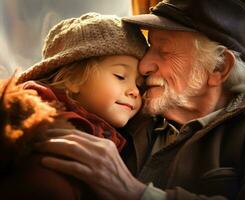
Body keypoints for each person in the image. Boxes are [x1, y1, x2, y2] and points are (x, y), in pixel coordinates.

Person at [33, 0, 245, 200]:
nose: (145, 64)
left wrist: (135, 193)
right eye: (150, 49)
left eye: (164, 51)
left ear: (219, 68)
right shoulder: (128, 113)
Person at [0, 12, 147, 199]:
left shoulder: (117, 133)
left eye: (140, 84)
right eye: (120, 76)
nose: (134, 91)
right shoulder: (38, 121)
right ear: (73, 79)